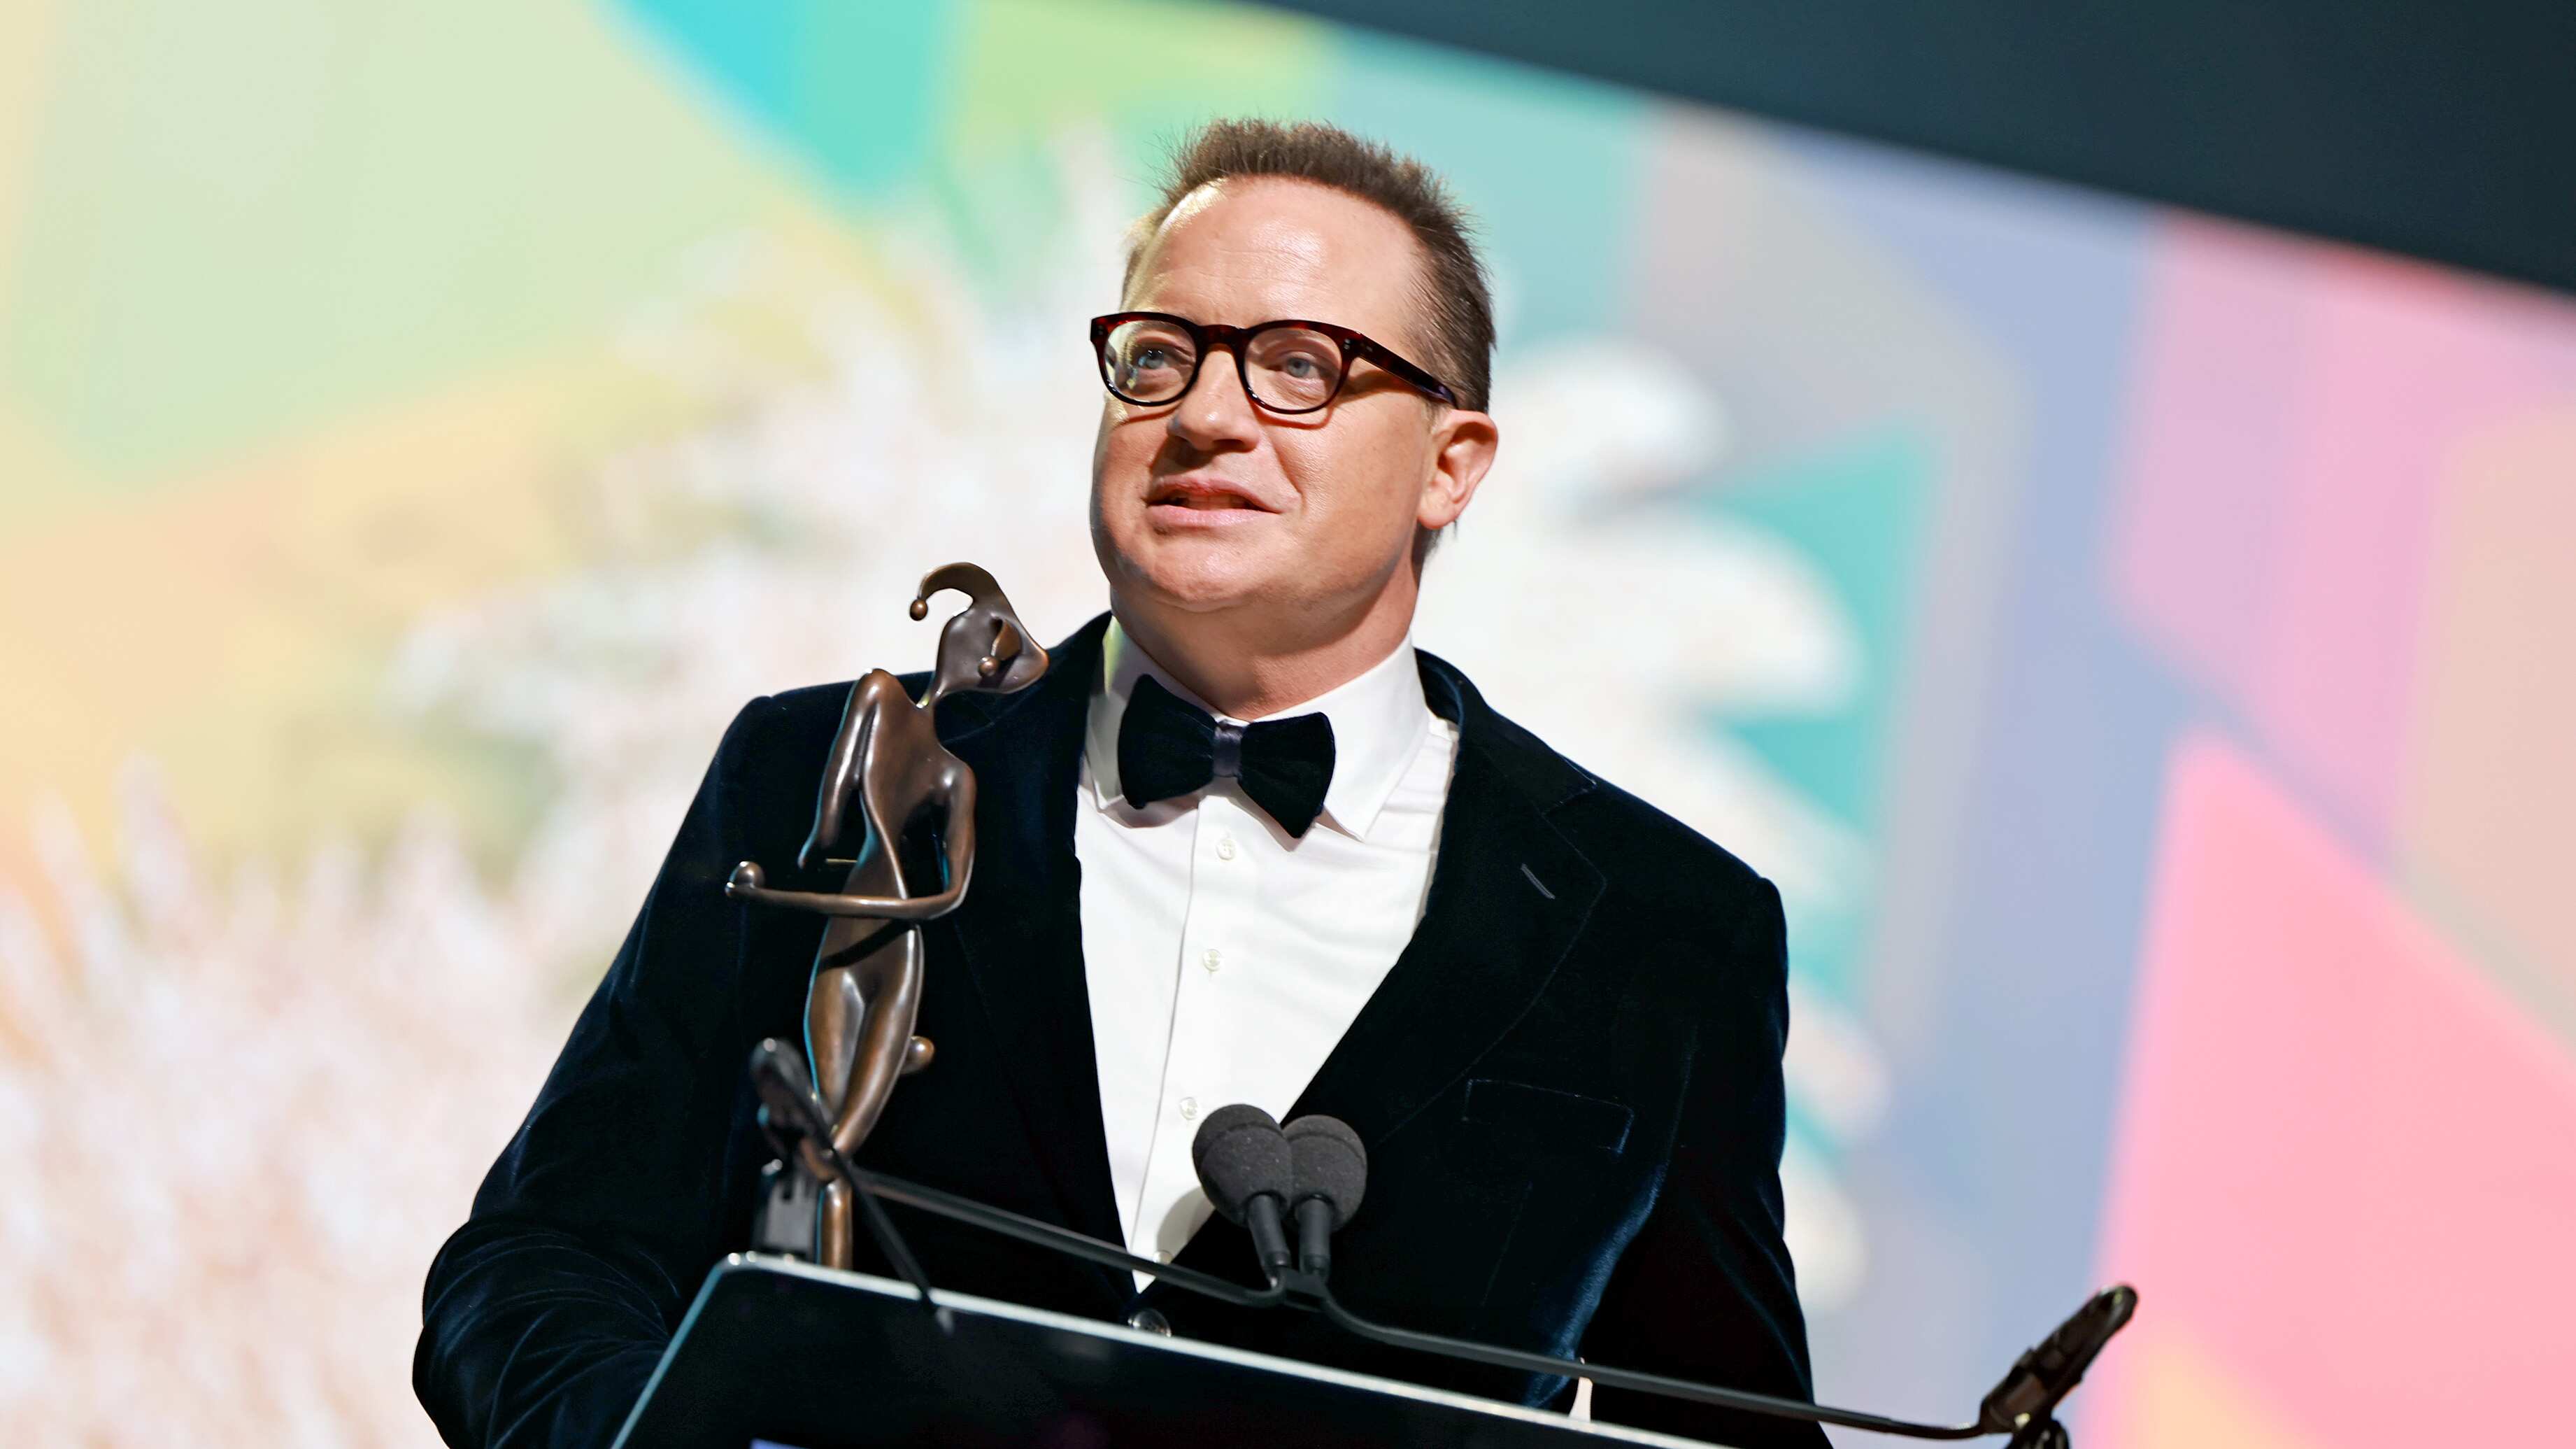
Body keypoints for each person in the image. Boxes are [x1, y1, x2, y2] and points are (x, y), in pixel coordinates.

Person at [415, 118, 1825, 1449]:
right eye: (1159, 355)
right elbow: (544, 1261)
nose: (1207, 415)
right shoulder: (829, 773)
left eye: (1300, 365)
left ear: (1450, 465)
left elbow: (1725, 1429)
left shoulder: (1661, 932)